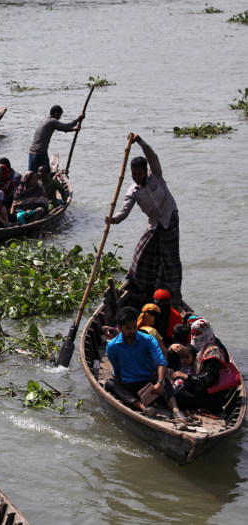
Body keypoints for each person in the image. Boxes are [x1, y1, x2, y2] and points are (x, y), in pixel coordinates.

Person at [106, 135, 182, 304]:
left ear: (145, 171)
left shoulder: (155, 175)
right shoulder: (133, 191)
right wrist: (113, 219)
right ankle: (144, 288)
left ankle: (174, 293)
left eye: (139, 173)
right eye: (134, 174)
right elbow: (125, 210)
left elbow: (152, 156)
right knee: (142, 254)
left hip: (170, 218)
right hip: (154, 224)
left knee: (170, 258)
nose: (137, 176)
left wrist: (140, 141)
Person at [103, 307, 187, 420]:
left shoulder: (148, 340)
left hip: (151, 387)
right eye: (128, 328)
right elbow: (117, 372)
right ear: (119, 328)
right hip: (131, 388)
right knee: (110, 383)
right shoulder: (112, 346)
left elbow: (161, 361)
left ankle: (176, 410)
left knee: (158, 374)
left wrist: (160, 383)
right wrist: (117, 392)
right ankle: (144, 409)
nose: (132, 331)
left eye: (134, 327)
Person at [170, 319, 229, 413]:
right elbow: (178, 361)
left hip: (212, 396)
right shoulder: (197, 347)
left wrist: (186, 377)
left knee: (174, 393)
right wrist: (171, 348)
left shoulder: (212, 351)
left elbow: (210, 378)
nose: (194, 337)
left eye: (197, 334)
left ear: (206, 333)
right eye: (192, 334)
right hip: (200, 390)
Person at [28, 105, 84, 173]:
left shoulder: (44, 119)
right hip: (40, 154)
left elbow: (63, 128)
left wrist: (73, 130)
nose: (59, 118)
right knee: (45, 175)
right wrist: (78, 119)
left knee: (32, 174)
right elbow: (66, 126)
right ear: (56, 114)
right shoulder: (52, 121)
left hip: (32, 152)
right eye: (60, 115)